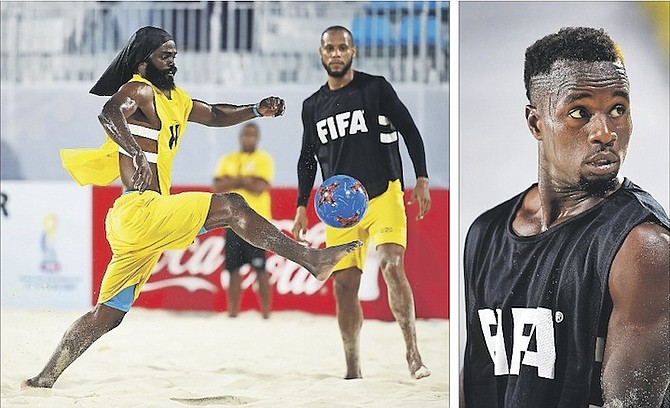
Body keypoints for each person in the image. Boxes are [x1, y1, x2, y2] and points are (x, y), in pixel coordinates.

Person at [24, 26, 361, 389]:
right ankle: (311, 259)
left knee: (107, 314)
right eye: (164, 56)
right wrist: (135, 152)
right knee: (231, 206)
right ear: (143, 61)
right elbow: (108, 113)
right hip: (140, 212)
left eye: (174, 56)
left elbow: (215, 114)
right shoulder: (139, 90)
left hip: (139, 222)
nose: (172, 63)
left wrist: (254, 110)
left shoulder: (177, 100)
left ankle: (45, 377)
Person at [462, 27, 670, 407]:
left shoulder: (645, 250)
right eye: (580, 113)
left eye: (618, 109)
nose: (605, 132)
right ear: (536, 123)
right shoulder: (485, 234)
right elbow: (478, 381)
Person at [291, 25, 432, 380]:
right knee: (344, 286)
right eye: (329, 48)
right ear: (321, 54)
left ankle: (413, 352)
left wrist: (422, 179)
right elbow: (307, 159)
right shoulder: (312, 106)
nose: (336, 53)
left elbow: (410, 130)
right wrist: (300, 206)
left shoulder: (375, 88)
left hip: (383, 194)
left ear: (353, 52)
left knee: (391, 265)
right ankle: (353, 368)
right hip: (340, 210)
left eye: (342, 47)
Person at [213, 123, 274, 318]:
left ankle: (266, 313)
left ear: (258, 138)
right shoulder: (228, 158)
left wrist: (234, 180)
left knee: (260, 268)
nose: (249, 138)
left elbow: (259, 187)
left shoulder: (264, 159)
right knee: (232, 269)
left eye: (252, 134)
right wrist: (246, 180)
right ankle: (233, 312)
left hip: (256, 221)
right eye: (246, 134)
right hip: (231, 221)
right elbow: (218, 185)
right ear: (240, 136)